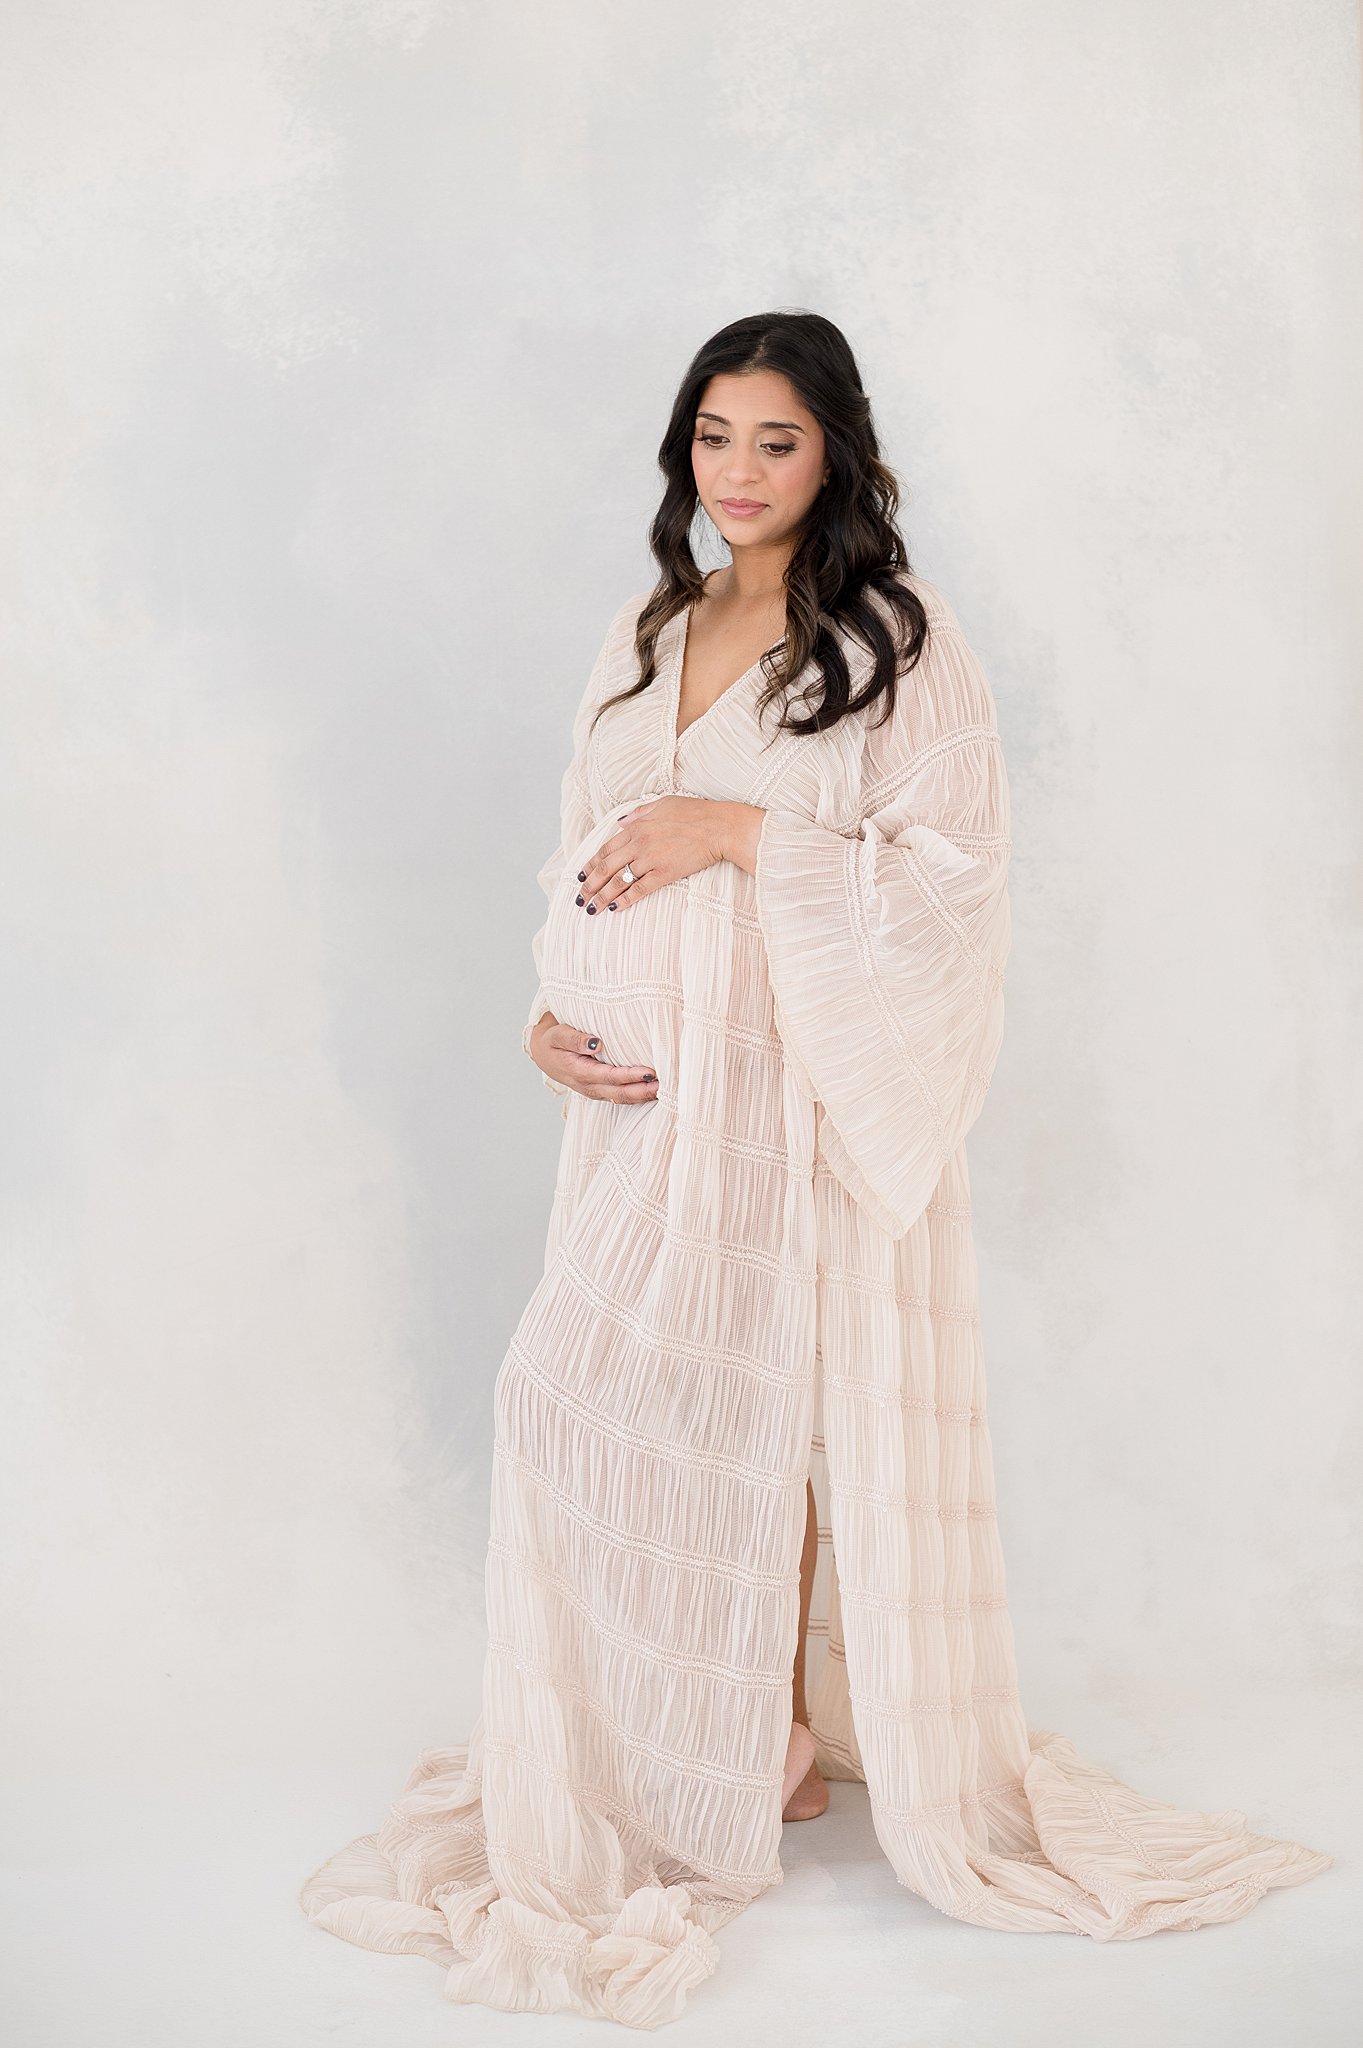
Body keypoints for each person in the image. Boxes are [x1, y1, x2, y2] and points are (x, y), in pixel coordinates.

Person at [298, 311, 1331, 2030]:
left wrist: (747, 831)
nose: (738, 474)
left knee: (760, 1409)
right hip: (639, 1110)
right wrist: (545, 1022)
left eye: (775, 440)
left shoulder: (897, 641)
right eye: (712, 437)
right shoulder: (651, 630)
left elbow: (953, 875)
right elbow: (579, 857)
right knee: (582, 1399)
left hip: (793, 1102)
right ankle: (713, 1734)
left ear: (836, 451)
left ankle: (757, 1737)